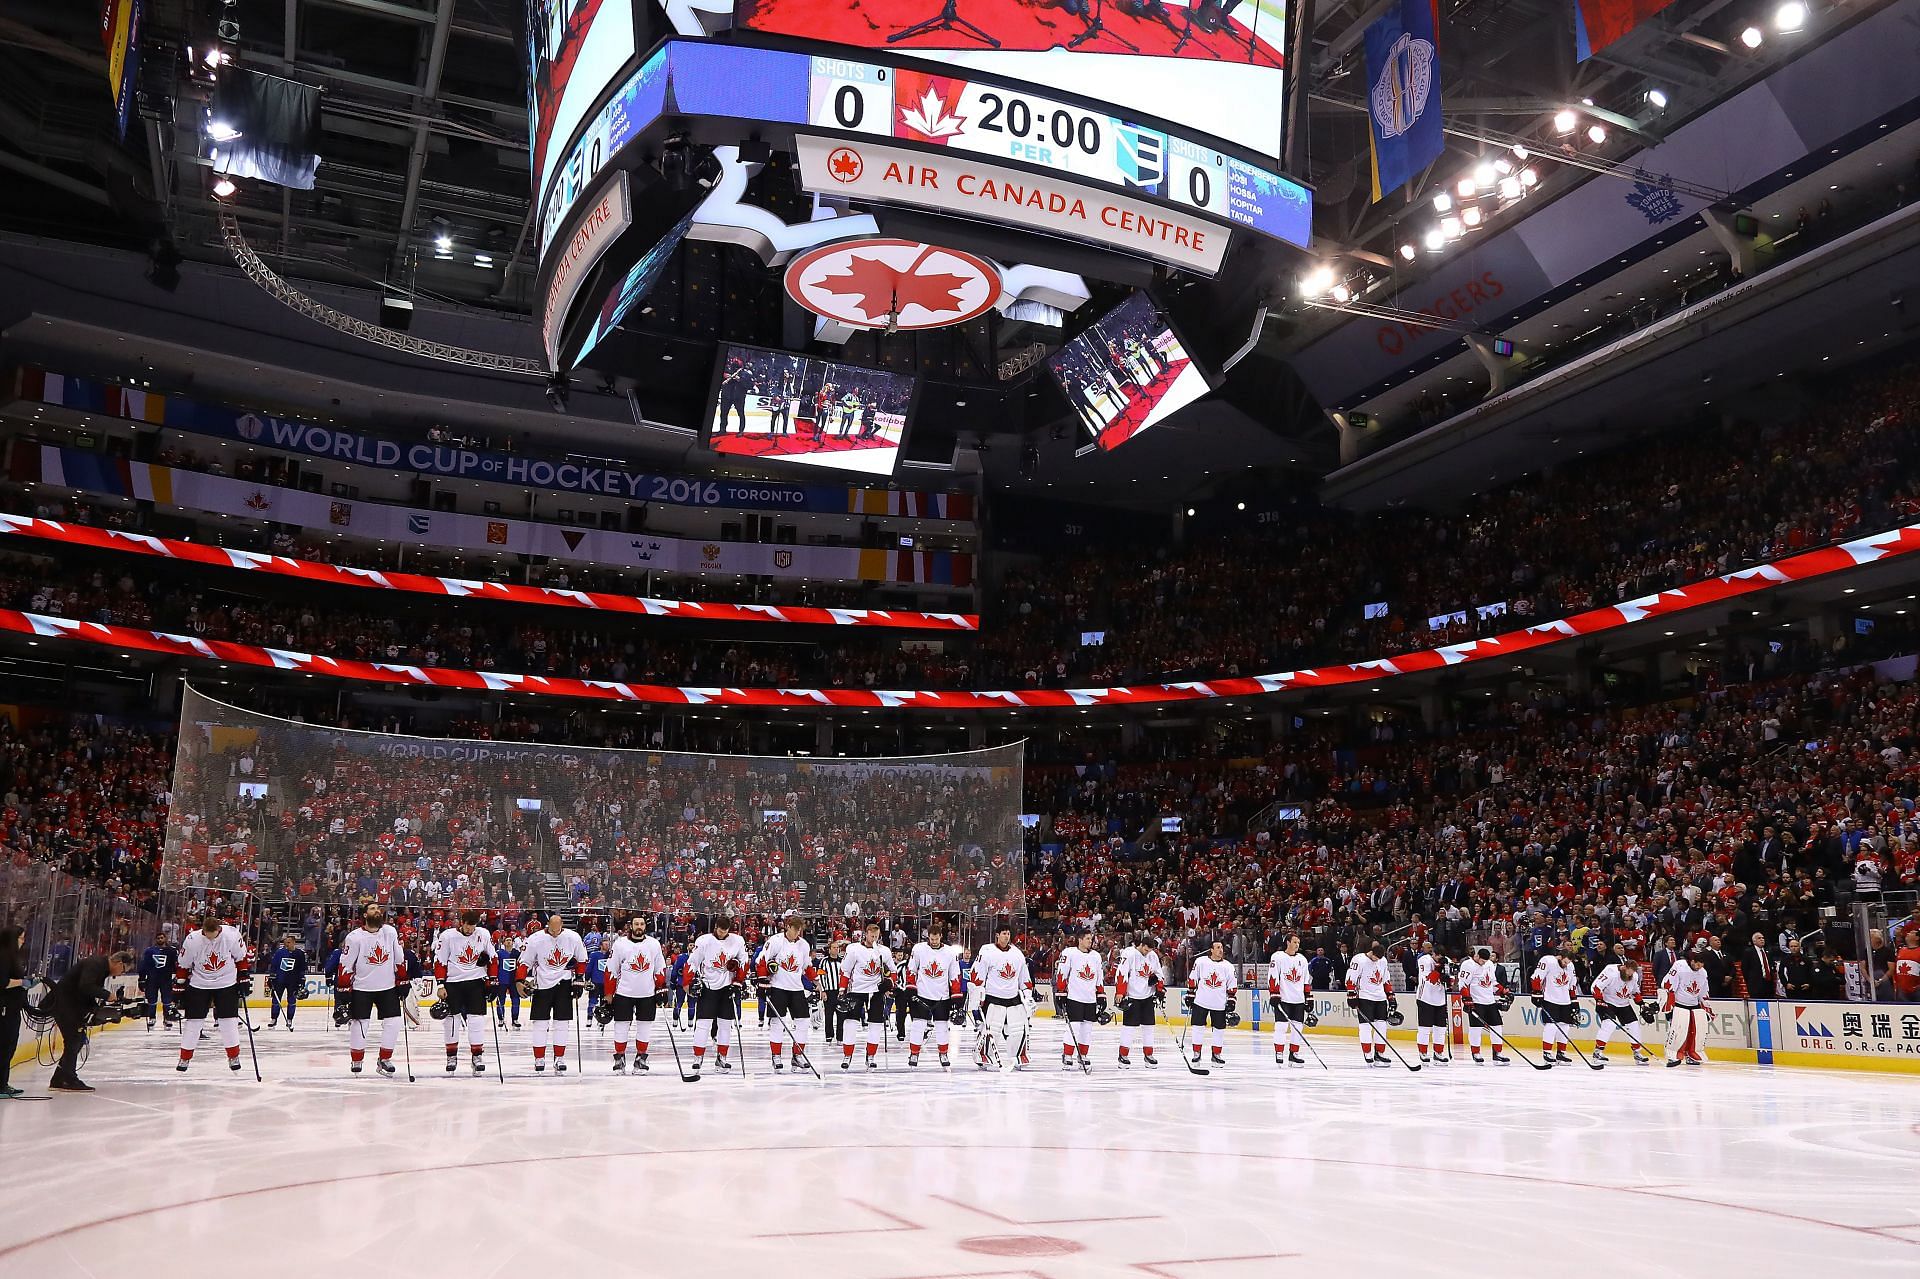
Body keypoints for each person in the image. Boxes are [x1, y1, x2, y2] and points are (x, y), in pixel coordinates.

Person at [46, 949, 136, 1092]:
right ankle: (68, 1079)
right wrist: (107, 995)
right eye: (123, 970)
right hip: (63, 1004)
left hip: (69, 1004)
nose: (121, 974)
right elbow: (86, 986)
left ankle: (60, 1078)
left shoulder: (100, 967)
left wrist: (95, 1008)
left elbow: (87, 990)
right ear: (119, 963)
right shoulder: (95, 965)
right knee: (74, 1039)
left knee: (77, 1040)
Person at [175, 913, 250, 1074]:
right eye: (207, 936)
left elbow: (241, 958)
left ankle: (233, 1056)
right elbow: (183, 965)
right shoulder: (192, 940)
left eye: (213, 936)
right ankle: (185, 1057)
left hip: (226, 982)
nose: (210, 939)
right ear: (203, 930)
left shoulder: (231, 935)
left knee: (228, 1021)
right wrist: (179, 985)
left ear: (219, 929)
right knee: (193, 1022)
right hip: (199, 983)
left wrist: (243, 976)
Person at [337, 904, 407, 1076]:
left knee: (394, 1022)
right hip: (362, 988)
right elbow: (345, 964)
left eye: (378, 909)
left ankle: (384, 1058)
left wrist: (403, 981)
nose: (377, 911)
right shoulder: (355, 937)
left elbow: (399, 957)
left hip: (388, 987)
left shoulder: (390, 932)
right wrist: (344, 990)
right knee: (360, 1024)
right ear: (364, 915)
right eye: (372, 909)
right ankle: (357, 1059)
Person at [520, 913, 588, 1074]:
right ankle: (539, 1058)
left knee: (562, 1023)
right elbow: (525, 962)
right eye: (552, 928)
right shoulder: (535, 939)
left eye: (558, 929)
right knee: (540, 1023)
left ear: (562, 925)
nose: (555, 932)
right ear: (548, 925)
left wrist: (579, 979)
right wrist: (519, 980)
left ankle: (559, 1058)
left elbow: (582, 960)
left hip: (564, 984)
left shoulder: (573, 937)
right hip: (542, 984)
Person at [433, 909, 496, 1074]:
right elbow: (439, 962)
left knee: (477, 1020)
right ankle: (451, 1056)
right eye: (468, 926)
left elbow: (493, 958)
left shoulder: (483, 934)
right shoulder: (447, 936)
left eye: (473, 926)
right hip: (453, 983)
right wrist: (440, 985)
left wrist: (493, 981)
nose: (470, 929)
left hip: (476, 982)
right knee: (451, 1020)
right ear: (461, 923)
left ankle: (477, 1056)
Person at [684, 915, 747, 1074]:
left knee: (725, 1025)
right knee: (703, 1024)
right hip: (708, 986)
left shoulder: (737, 941)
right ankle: (698, 1057)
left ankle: (722, 1057)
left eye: (725, 930)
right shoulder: (703, 941)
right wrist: (688, 983)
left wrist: (738, 982)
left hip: (727, 988)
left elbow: (744, 962)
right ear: (715, 927)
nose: (722, 933)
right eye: (720, 930)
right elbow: (692, 962)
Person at [605, 914, 666, 1073]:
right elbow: (611, 969)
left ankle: (641, 1058)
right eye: (636, 924)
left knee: (644, 1027)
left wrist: (661, 988)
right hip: (624, 993)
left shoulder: (653, 944)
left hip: (647, 994)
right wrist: (608, 994)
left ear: (645, 927)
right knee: (621, 1026)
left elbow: (660, 968)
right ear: (630, 926)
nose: (639, 927)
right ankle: (619, 1058)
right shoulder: (620, 944)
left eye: (642, 924)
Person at [757, 914, 816, 1072]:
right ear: (787, 927)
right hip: (778, 988)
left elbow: (806, 966)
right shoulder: (775, 941)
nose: (798, 932)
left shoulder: (803, 945)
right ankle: (776, 1056)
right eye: (795, 929)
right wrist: (763, 982)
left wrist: (816, 982)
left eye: (800, 930)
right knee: (777, 1023)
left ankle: (797, 1056)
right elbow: (762, 960)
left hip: (796, 988)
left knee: (803, 1022)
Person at [970, 924, 1033, 1071]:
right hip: (993, 997)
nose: (1006, 936)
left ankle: (1019, 1056)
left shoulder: (1017, 954)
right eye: (1004, 933)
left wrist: (1028, 995)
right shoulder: (987, 952)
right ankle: (985, 1056)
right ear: (997, 935)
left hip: (1013, 997)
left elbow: (1024, 978)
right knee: (992, 1030)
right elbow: (977, 975)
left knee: (1019, 1029)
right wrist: (977, 993)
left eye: (1008, 934)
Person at [837, 920, 896, 1071]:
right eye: (871, 936)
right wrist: (842, 989)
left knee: (875, 1024)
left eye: (876, 936)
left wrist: (889, 985)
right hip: (856, 991)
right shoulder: (854, 949)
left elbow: (893, 971)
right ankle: (847, 1055)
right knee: (850, 1023)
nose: (873, 939)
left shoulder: (884, 951)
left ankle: (871, 1056)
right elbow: (845, 971)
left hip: (876, 992)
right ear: (866, 935)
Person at [1053, 929, 1102, 1070]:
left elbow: (1099, 977)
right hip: (1074, 998)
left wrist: (1101, 994)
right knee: (1073, 1027)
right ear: (1080, 940)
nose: (1090, 941)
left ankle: (1083, 1055)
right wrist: (1061, 993)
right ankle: (1067, 1055)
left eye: (1091, 939)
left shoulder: (1096, 956)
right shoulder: (1069, 953)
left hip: (1090, 999)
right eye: (1087, 938)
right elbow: (1062, 973)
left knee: (1087, 1029)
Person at [1113, 933, 1165, 1068]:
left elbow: (1159, 974)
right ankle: (1123, 1055)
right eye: (1146, 950)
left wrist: (1159, 987)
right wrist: (1120, 992)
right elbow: (1121, 973)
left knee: (1149, 1027)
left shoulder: (1152, 956)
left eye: (1150, 951)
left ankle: (1148, 1055)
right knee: (1129, 1027)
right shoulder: (1129, 954)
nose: (1148, 953)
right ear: (1141, 945)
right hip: (1132, 997)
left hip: (1147, 996)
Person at [1591, 956, 1652, 1066]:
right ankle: (1597, 1052)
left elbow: (1635, 992)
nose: (1630, 975)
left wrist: (1642, 1004)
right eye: (1629, 972)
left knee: (1634, 1025)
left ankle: (1637, 1053)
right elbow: (1596, 986)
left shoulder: (1634, 976)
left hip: (1623, 1003)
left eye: (1633, 973)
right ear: (1624, 967)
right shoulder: (1611, 971)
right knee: (1609, 1024)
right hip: (1608, 1001)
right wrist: (1599, 1000)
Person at [1456, 946, 1511, 1064]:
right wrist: (1466, 999)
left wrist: (1503, 991)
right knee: (1475, 1028)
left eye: (1485, 961)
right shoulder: (1468, 964)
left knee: (1497, 1026)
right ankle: (1476, 1053)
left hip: (1490, 1001)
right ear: (1476, 956)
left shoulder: (1489, 964)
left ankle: (1497, 1053)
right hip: (1476, 1002)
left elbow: (1493, 983)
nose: (1483, 963)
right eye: (1482, 961)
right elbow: (1463, 984)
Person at [1345, 940, 1394, 1067]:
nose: (1376, 960)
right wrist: (1351, 995)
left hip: (1380, 998)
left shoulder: (1382, 961)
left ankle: (1380, 1054)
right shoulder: (1359, 960)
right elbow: (1351, 979)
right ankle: (1367, 1053)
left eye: (1379, 958)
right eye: (1375, 957)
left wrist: (1391, 997)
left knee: (1381, 1026)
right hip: (1364, 997)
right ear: (1371, 952)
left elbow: (1386, 980)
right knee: (1365, 1026)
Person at [1531, 940, 1580, 1067]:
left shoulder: (1570, 966)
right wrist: (1536, 993)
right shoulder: (1548, 960)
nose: (1566, 965)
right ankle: (1547, 1052)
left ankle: (1561, 1053)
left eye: (1568, 963)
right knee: (1551, 1026)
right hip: (1550, 999)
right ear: (1560, 957)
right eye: (1564, 962)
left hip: (1565, 1001)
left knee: (1565, 1026)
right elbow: (1536, 977)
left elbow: (1572, 985)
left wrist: (1574, 1002)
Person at [1660, 950, 1712, 1067]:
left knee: (1695, 1032)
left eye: (1702, 964)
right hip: (1679, 1004)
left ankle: (1691, 1054)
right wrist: (1669, 1006)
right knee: (1678, 1031)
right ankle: (1672, 1055)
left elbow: (1704, 992)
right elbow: (1668, 985)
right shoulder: (1679, 966)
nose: (1700, 967)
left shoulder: (1703, 973)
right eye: (1698, 964)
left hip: (1694, 1005)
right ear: (1692, 961)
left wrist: (1707, 1008)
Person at [1187, 939, 1235, 1068]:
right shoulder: (1201, 962)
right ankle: (1196, 1053)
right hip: (1200, 1002)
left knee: (1219, 1030)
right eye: (1218, 947)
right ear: (1211, 950)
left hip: (1219, 1004)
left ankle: (1216, 1055)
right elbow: (1193, 978)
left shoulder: (1228, 966)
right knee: (1198, 1028)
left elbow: (1232, 984)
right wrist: (1190, 994)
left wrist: (1231, 1000)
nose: (1221, 950)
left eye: (1222, 947)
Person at [1266, 933, 1311, 1067]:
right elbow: (1273, 976)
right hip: (1283, 998)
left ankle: (1293, 1054)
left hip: (1298, 999)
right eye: (1295, 942)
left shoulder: (1302, 959)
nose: (1297, 945)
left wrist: (1308, 997)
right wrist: (1274, 994)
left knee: (1298, 1027)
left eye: (1298, 942)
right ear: (1287, 942)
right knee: (1281, 1026)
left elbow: (1306, 980)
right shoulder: (1278, 957)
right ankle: (1279, 1052)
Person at [1413, 940, 1451, 1065]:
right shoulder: (1424, 960)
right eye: (1437, 955)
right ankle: (1423, 1052)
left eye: (1441, 956)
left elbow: (1451, 982)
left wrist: (1448, 978)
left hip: (1440, 1000)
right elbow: (1429, 980)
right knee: (1424, 1028)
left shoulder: (1446, 962)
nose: (1439, 958)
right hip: (1425, 998)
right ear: (1433, 953)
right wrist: (1439, 970)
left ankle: (1438, 1053)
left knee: (1440, 1028)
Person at [1, 926, 28, 1098]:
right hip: (4, 1009)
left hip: (12, 1008)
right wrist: (21, 982)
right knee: (4, 1046)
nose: (23, 942)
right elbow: (2, 982)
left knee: (8, 1046)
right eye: (21, 938)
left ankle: (3, 1082)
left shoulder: (11, 956)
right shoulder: (3, 956)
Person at [136, 932, 178, 1030]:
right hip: (152, 979)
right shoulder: (149, 951)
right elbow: (144, 965)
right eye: (158, 938)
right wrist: (141, 979)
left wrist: (177, 977)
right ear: (155, 939)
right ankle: (152, 1018)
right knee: (152, 1000)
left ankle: (167, 1018)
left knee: (167, 1000)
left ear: (165, 938)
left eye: (162, 938)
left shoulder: (171, 951)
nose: (160, 939)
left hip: (166, 979)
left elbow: (176, 965)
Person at [266, 934, 307, 1029]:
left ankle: (289, 1019)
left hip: (293, 982)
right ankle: (274, 1019)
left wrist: (302, 979)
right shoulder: (279, 952)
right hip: (279, 980)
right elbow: (274, 965)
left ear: (294, 942)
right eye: (285, 943)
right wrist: (272, 977)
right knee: (276, 1000)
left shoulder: (300, 954)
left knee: (292, 1001)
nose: (286, 944)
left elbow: (302, 968)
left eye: (288, 942)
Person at [493, 933, 522, 1029]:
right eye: (507, 940)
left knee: (516, 1000)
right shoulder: (499, 953)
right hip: (502, 979)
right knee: (501, 1000)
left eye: (510, 940)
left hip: (514, 980)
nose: (509, 941)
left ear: (513, 942)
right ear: (504, 943)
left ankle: (515, 1019)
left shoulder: (517, 953)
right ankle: (501, 1019)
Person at [1739, 931, 1777, 999]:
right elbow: (1744, 969)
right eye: (1759, 938)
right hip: (1756, 985)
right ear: (1754, 941)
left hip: (1768, 984)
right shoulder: (1748, 952)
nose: (1762, 939)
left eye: (1763, 938)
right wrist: (1751, 981)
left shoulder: (1768, 952)